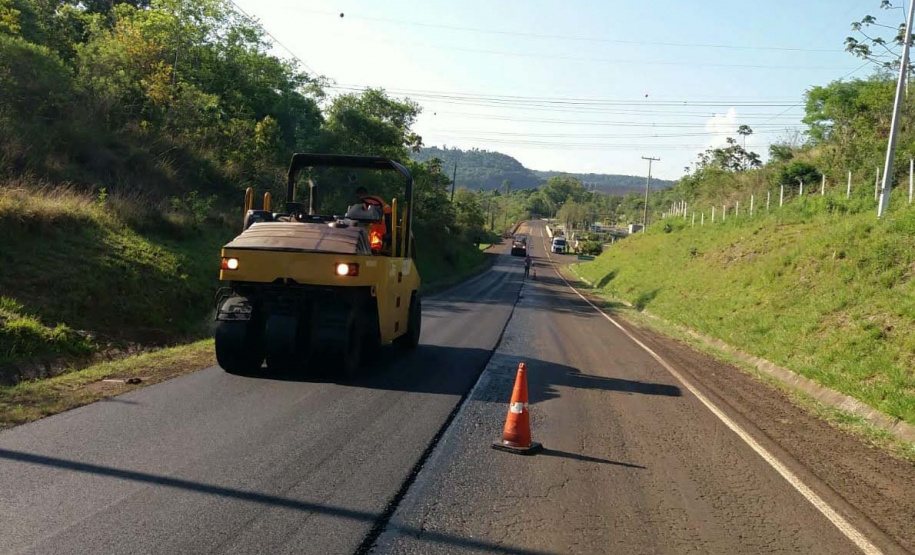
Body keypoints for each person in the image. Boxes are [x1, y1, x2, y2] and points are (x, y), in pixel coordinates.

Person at [355, 187, 392, 253]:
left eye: (361, 195)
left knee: (376, 231)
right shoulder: (364, 204)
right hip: (371, 222)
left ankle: (375, 249)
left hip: (380, 221)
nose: (360, 197)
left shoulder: (373, 200)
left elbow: (382, 211)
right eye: (359, 195)